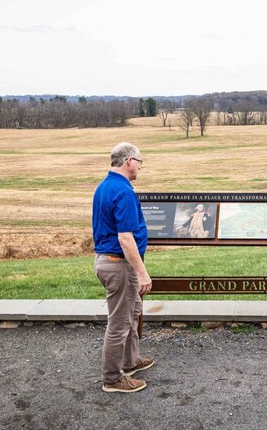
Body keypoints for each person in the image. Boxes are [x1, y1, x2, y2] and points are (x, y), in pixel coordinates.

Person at [92, 142, 155, 393]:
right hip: (119, 265)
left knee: (133, 311)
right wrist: (142, 273)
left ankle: (130, 362)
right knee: (119, 324)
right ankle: (112, 379)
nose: (140, 167)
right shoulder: (124, 192)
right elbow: (125, 238)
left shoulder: (105, 186)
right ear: (129, 161)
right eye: (140, 162)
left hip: (111, 262)